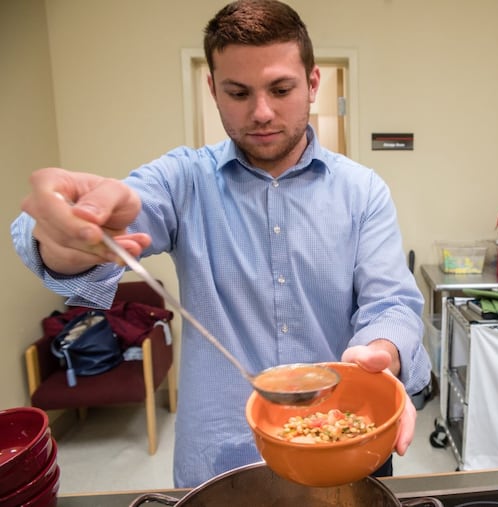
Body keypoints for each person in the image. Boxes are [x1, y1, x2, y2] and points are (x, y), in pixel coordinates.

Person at [11, 0, 431, 487]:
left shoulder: (363, 190)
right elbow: (95, 228)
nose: (262, 112)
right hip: (224, 456)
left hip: (342, 445)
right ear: (212, 88)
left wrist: (380, 349)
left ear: (313, 84)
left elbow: (393, 302)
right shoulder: (182, 179)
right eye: (238, 92)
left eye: (281, 89)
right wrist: (68, 233)